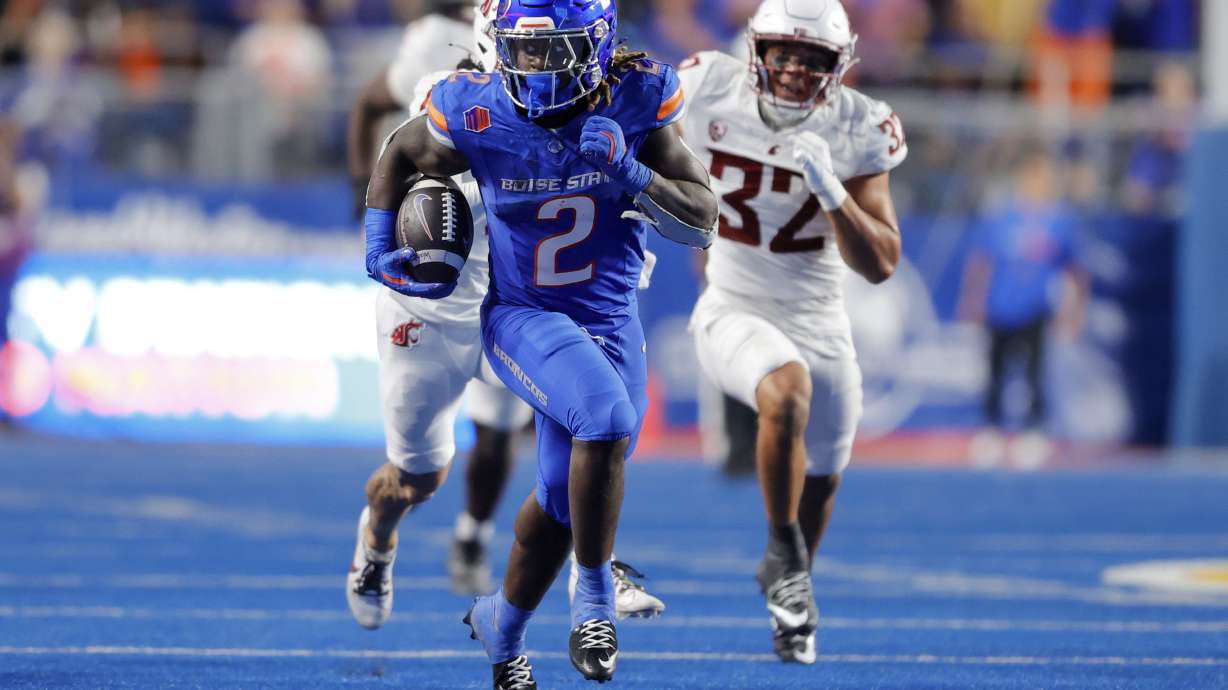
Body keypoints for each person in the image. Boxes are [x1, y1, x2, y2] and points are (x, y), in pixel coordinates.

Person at [360, 0, 714, 685]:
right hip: (524, 314)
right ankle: (594, 604)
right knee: (605, 421)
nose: (536, 69)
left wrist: (635, 174)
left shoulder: (640, 94)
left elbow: (702, 222)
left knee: (561, 498)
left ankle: (502, 627)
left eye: (554, 51)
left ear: (599, 43)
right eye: (522, 52)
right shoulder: (474, 105)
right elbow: (401, 149)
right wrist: (378, 246)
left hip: (611, 321)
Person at [677, 0, 906, 664]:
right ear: (759, 51)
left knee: (826, 473)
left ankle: (790, 587)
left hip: (821, 320)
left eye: (815, 60)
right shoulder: (707, 86)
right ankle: (783, 552)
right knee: (787, 393)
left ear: (839, 66)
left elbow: (883, 262)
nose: (797, 71)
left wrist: (833, 192)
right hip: (732, 304)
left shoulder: (860, 127)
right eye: (785, 54)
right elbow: (636, 131)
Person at [960, 150, 1088, 465]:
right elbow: (982, 263)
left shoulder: (1060, 221)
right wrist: (973, 300)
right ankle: (991, 430)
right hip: (1000, 306)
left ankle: (1033, 431)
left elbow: (1077, 271)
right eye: (1031, 178)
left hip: (1035, 308)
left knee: (1034, 372)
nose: (1036, 185)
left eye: (1042, 179)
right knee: (995, 371)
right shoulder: (1002, 218)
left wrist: (1074, 313)